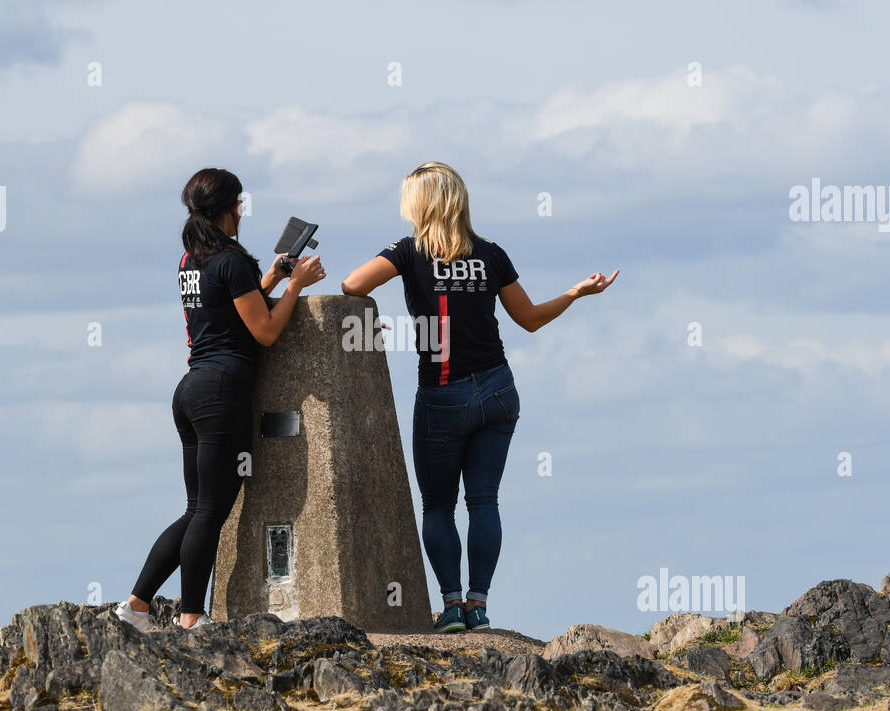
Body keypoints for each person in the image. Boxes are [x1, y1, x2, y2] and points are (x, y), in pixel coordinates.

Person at [341, 161, 617, 633]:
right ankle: (479, 605)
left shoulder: (409, 252)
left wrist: (375, 323)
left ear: (419, 205)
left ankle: (451, 607)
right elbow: (528, 318)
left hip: (443, 395)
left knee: (438, 506)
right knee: (484, 500)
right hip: (498, 389)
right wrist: (573, 294)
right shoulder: (491, 254)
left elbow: (352, 285)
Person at [116, 168, 325, 632]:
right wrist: (296, 286)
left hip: (191, 391)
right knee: (210, 511)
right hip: (222, 393)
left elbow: (230, 308)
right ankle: (190, 616)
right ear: (230, 207)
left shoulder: (192, 259)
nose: (243, 210)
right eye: (240, 203)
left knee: (196, 508)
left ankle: (136, 606)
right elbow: (265, 332)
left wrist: (269, 278)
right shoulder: (230, 260)